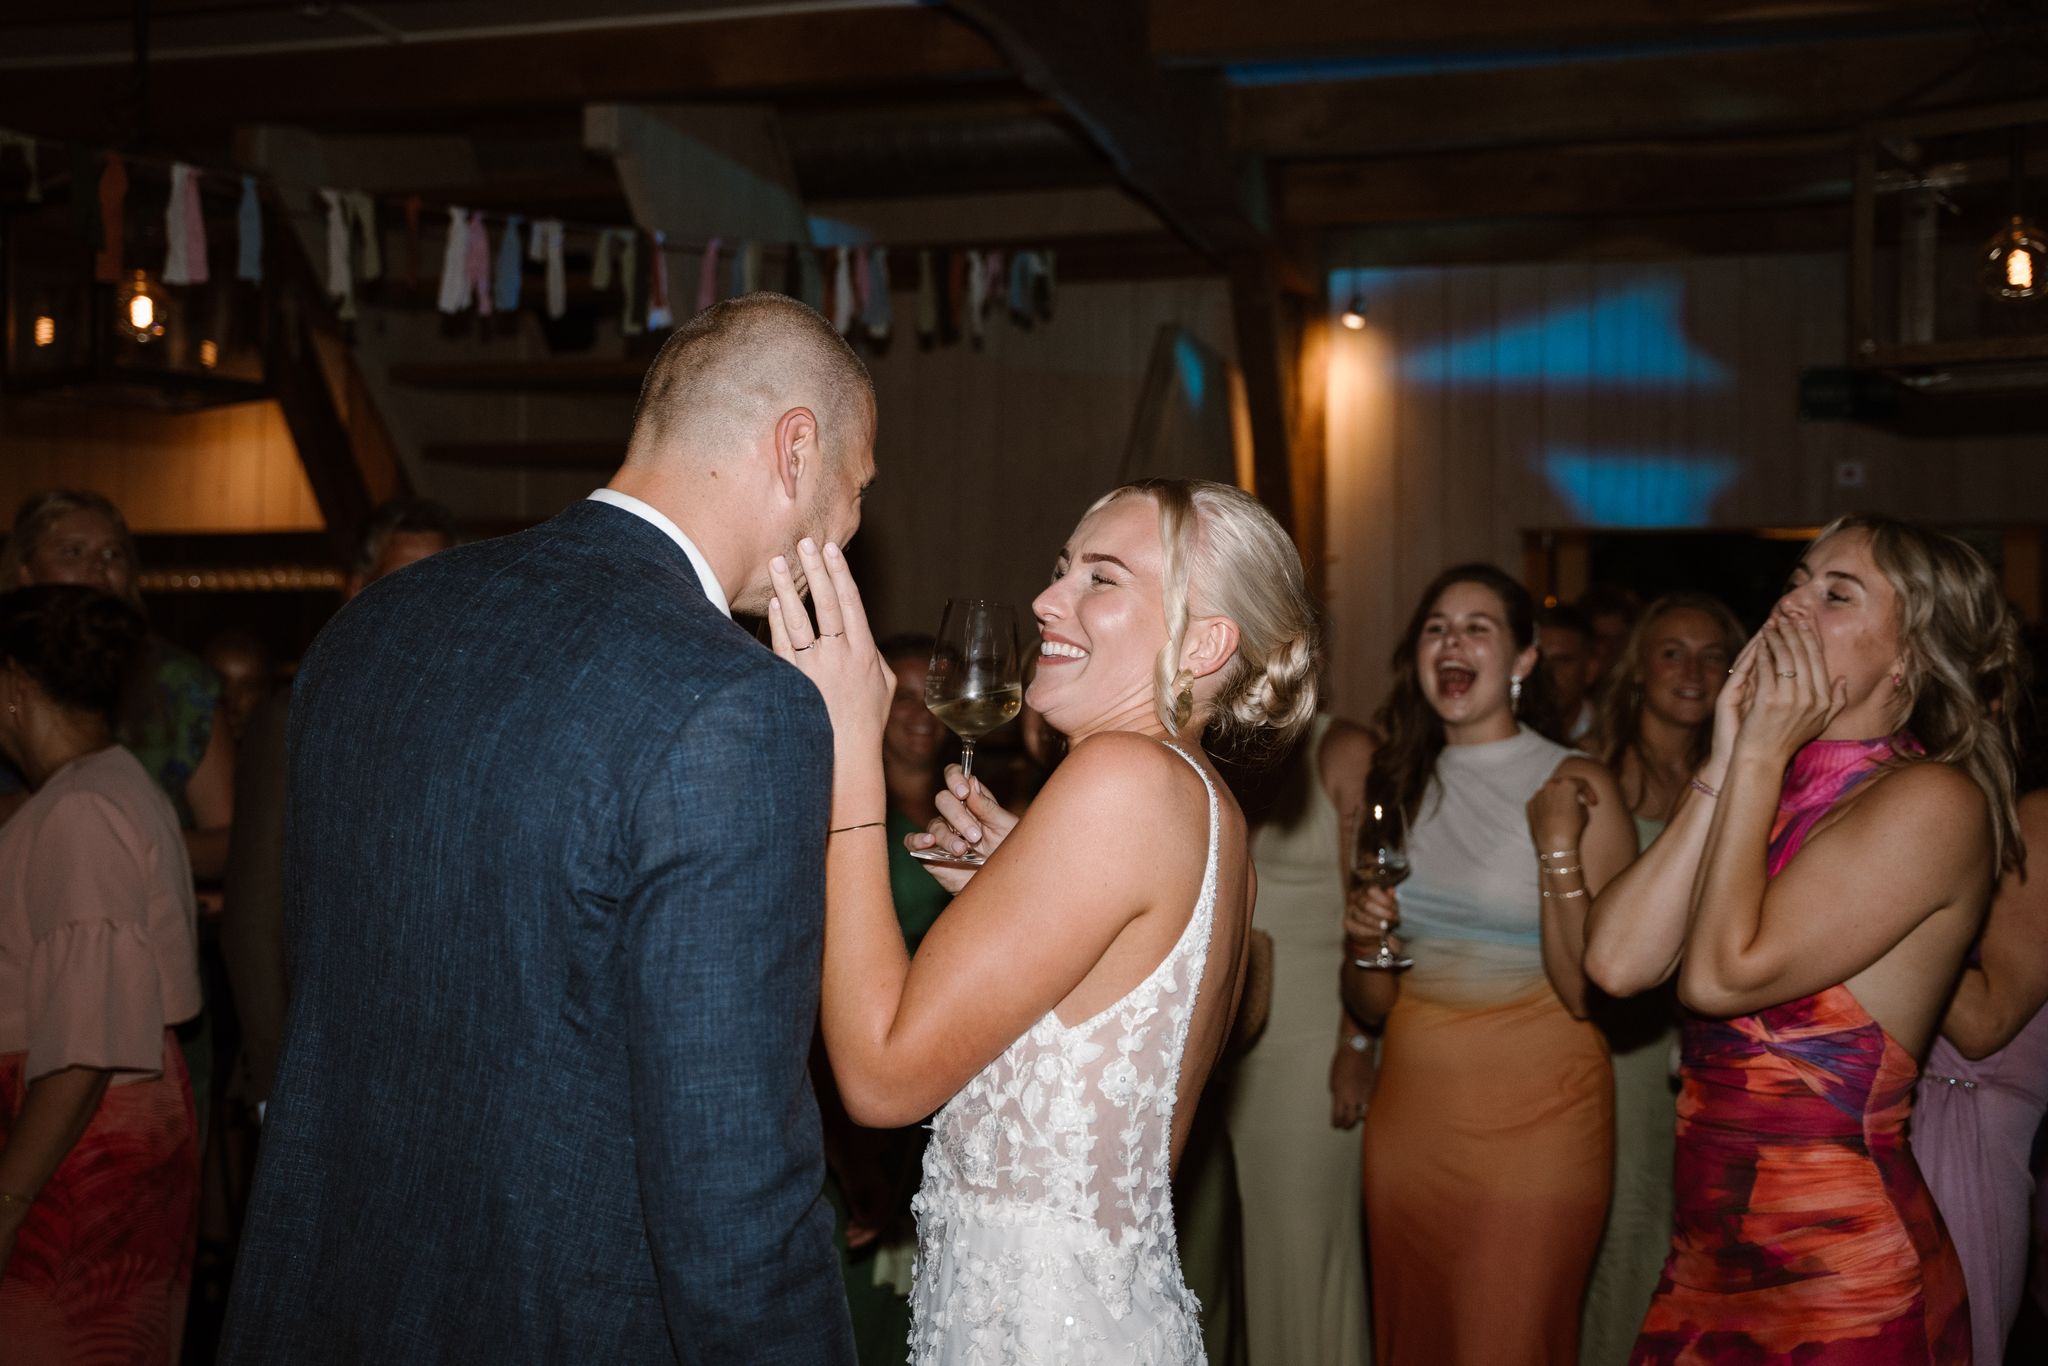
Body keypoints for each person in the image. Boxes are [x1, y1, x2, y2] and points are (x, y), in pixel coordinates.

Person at [219, 294, 871, 1362]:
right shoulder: (737, 705)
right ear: (795, 449)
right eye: (858, 489)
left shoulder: (371, 630)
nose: (851, 527)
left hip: (326, 1303)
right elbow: (732, 1182)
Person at [772, 477, 1319, 1361]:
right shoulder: (1205, 805)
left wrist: (846, 757)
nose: (1044, 599)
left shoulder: (1121, 780)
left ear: (1204, 642)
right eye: (1062, 568)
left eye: (1101, 578)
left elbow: (878, 1078)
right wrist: (1013, 886)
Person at [1583, 514, 2022, 1362]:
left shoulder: (1933, 802)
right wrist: (1726, 757)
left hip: (1842, 1276)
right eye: (1795, 581)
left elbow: (1719, 979)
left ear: (1907, 657)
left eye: (1836, 594)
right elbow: (1616, 962)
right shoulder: (1768, 780)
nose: (1791, 605)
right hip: (1704, 1257)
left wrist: (1755, 757)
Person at [1339, 563, 1634, 1366]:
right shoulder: (1396, 783)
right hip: (1413, 1123)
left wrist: (1556, 851)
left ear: (1524, 658)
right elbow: (1371, 1002)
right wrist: (1363, 938)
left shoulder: (1575, 784)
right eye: (1436, 628)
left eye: (1478, 628)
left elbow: (1591, 992)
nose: (1452, 643)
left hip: (1539, 1125)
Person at [0, 584, 202, 1363]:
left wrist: (9, 1202)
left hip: (80, 1138)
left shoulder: (81, 811)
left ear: (14, 684)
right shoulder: (100, 785)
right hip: (96, 1123)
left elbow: (86, 1043)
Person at [215, 499, 455, 1122]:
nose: (424, 601)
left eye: (441, 581)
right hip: (320, 1062)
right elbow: (253, 918)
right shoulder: (294, 716)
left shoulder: (470, 715)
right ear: (356, 591)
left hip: (439, 1063)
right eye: (402, 580)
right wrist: (275, 1085)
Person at [1576, 591, 1743, 1366]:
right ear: (1637, 669)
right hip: (1621, 1043)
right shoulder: (1595, 774)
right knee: (1632, 1233)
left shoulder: (1751, 776)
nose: (1693, 671)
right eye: (1672, 652)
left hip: (1720, 1040)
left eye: (1713, 655)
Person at [1222, 714, 1375, 1366]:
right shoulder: (1225, 748)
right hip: (1235, 1053)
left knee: (1307, 1255)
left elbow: (1375, 907)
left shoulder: (1344, 749)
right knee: (1256, 1262)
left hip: (1317, 1047)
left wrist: (1358, 1044)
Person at [0, 490, 235, 880]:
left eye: (113, 554)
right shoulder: (8, 674)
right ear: (24, 571)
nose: (97, 568)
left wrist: (117, 844)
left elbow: (230, 842)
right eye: (73, 553)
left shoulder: (180, 684)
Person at [1914, 781, 2048, 1366]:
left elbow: (1985, 1022)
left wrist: (1869, 899)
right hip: (1919, 1119)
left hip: (1958, 1138)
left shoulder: (2042, 818)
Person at [1538, 603, 1599, 743]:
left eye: (1561, 661)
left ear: (1590, 670)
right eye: (1538, 662)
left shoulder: (1613, 739)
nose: (1546, 672)